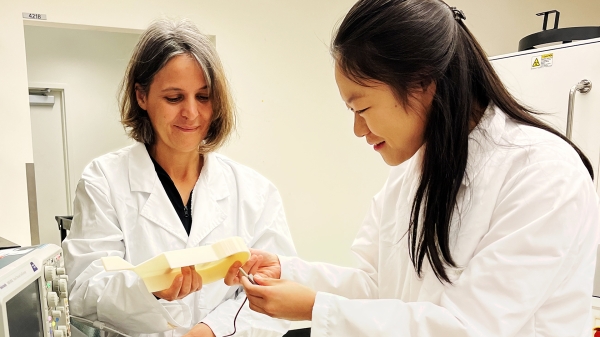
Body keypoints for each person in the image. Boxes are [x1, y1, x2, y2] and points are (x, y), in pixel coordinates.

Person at [225, 0, 600, 336]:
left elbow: (470, 328)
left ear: (423, 83)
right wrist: (286, 271)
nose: (358, 129)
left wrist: (315, 308)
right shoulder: (412, 172)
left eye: (363, 108)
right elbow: (378, 288)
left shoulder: (543, 173)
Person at [62, 19, 296, 337]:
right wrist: (149, 288)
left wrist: (209, 330)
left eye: (203, 97)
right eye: (174, 98)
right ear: (142, 96)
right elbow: (82, 291)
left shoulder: (255, 192)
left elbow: (275, 293)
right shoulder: (103, 181)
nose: (191, 113)